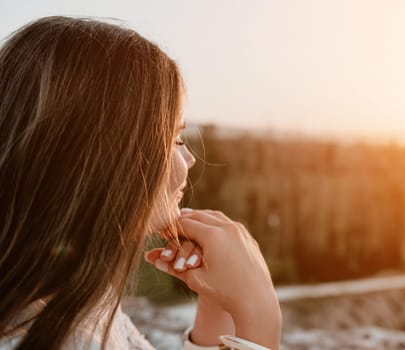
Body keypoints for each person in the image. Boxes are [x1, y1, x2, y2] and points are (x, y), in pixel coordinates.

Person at [0, 16, 282, 350]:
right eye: (174, 140)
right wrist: (259, 317)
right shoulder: (59, 337)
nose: (190, 158)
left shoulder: (65, 302)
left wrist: (219, 309)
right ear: (109, 161)